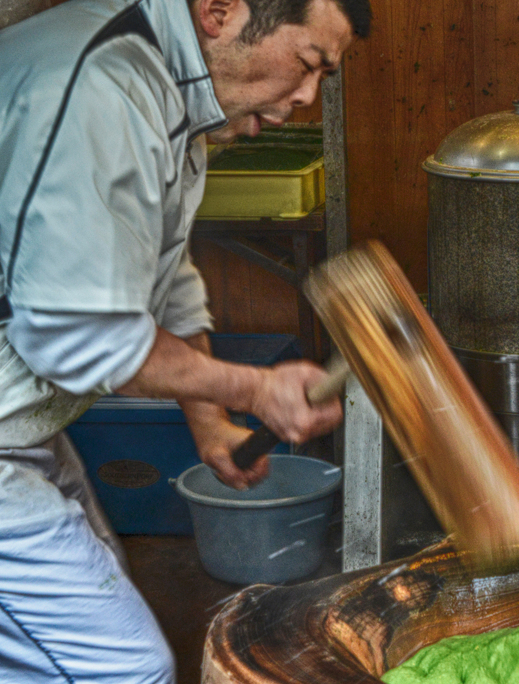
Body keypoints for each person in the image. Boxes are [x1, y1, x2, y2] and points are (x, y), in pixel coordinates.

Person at [0, 0, 369, 678]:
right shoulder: (97, 87)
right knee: (119, 668)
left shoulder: (170, 92)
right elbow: (79, 336)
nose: (306, 97)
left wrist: (211, 424)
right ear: (220, 11)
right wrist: (256, 387)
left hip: (20, 423)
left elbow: (166, 279)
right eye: (307, 64)